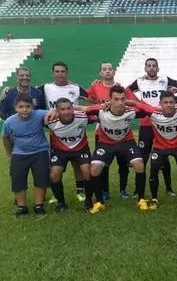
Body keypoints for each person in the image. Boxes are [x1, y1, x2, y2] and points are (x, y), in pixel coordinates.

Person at [86, 86, 149, 213]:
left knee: (139, 164)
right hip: (106, 144)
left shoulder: (130, 111)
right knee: (94, 169)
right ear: (110, 99)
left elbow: (150, 110)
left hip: (126, 142)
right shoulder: (101, 110)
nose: (120, 102)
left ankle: (141, 199)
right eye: (116, 99)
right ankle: (99, 202)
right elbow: (82, 109)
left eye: (122, 99)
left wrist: (135, 103)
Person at [126, 58, 177, 197]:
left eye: (154, 66)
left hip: (162, 123)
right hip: (146, 123)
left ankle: (169, 188)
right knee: (143, 157)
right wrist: (139, 103)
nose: (151, 68)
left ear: (158, 68)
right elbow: (127, 91)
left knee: (164, 157)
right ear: (145, 68)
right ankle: (139, 190)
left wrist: (174, 92)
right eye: (148, 66)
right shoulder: (139, 81)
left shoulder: (164, 79)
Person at [134, 90, 177, 209]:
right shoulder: (153, 112)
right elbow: (137, 104)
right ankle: (154, 198)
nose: (168, 105)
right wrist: (125, 102)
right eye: (165, 102)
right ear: (160, 104)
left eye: (171, 102)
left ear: (175, 103)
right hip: (160, 147)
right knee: (154, 170)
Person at [39, 62, 89, 202]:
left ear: (67, 72)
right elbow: (28, 94)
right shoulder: (45, 87)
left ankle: (81, 190)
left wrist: (97, 83)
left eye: (62, 71)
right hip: (56, 131)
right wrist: (7, 89)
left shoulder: (76, 87)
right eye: (57, 71)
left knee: (78, 165)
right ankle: (56, 195)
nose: (60, 74)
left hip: (75, 129)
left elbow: (92, 98)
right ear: (52, 73)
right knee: (56, 168)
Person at [1, 94, 51, 217]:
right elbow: (5, 137)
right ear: (15, 107)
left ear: (32, 106)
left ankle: (39, 205)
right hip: (19, 153)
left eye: (28, 106)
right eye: (21, 106)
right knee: (17, 178)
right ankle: (21, 206)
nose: (24, 109)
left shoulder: (39, 114)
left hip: (40, 151)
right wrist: (9, 154)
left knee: (41, 177)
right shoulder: (9, 122)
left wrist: (52, 113)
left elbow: (54, 110)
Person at [86, 62, 126, 201]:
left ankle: (123, 190)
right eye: (104, 69)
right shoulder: (95, 86)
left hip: (121, 131)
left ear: (114, 72)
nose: (107, 71)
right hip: (101, 131)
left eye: (110, 69)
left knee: (123, 163)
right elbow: (88, 100)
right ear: (100, 73)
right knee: (103, 164)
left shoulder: (119, 88)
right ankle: (105, 191)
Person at [46, 98, 93, 212]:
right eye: (62, 109)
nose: (66, 111)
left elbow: (99, 115)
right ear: (57, 110)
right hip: (59, 151)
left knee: (87, 171)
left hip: (81, 149)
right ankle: (61, 203)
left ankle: (88, 201)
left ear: (73, 108)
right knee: (54, 174)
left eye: (69, 108)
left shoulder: (82, 117)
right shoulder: (50, 121)